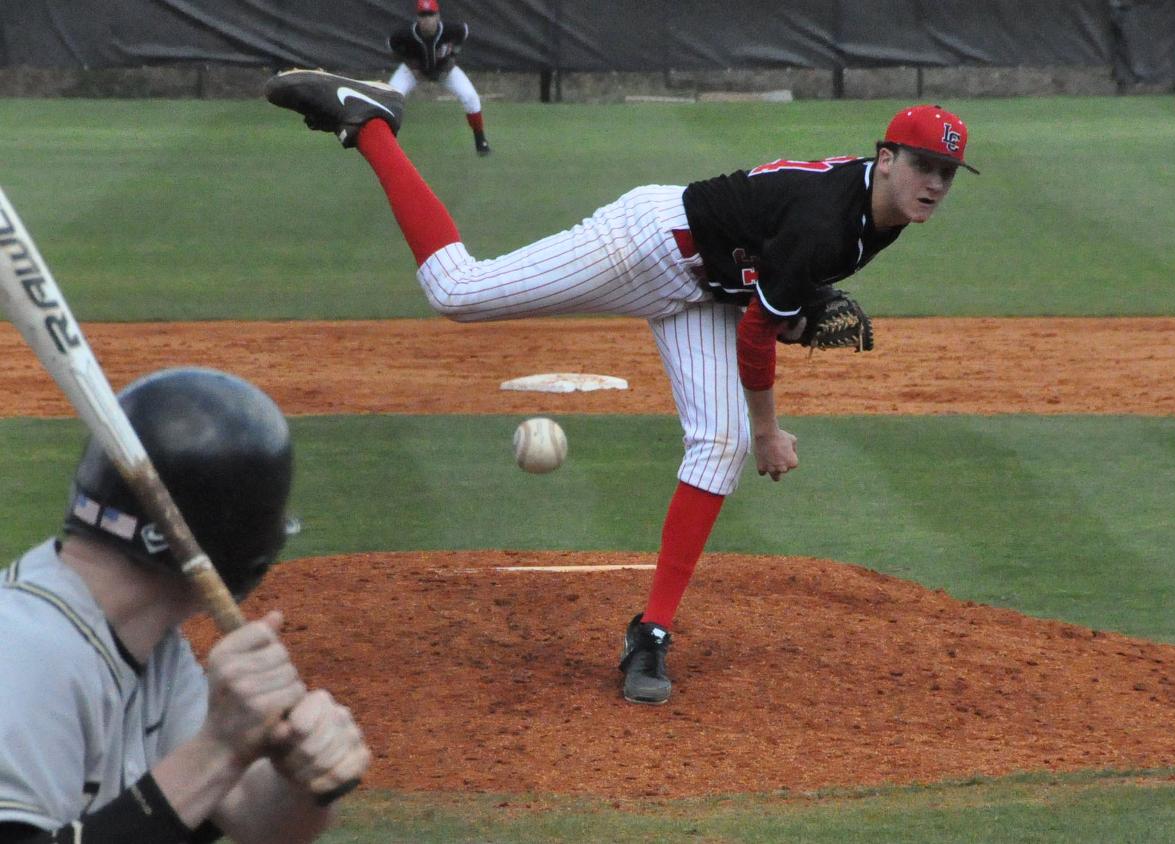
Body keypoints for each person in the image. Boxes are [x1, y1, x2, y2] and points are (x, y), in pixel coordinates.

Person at [264, 70, 978, 705]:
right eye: (922, 165)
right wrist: (769, 427)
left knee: (716, 444)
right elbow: (759, 335)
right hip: (650, 245)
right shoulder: (829, 222)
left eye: (947, 173)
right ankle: (370, 121)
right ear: (885, 159)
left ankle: (651, 632)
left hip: (707, 287)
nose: (935, 184)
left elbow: (764, 282)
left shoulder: (879, 211)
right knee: (457, 289)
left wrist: (780, 303)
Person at [0, 367, 371, 842]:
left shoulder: (153, 650)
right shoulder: (25, 655)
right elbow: (207, 769)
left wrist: (302, 780)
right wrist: (220, 749)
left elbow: (256, 821)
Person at [387, 0, 491, 156]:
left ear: (438, 16)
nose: (427, 19)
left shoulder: (450, 30)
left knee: (471, 97)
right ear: (417, 18)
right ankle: (386, 144)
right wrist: (410, 63)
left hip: (444, 70)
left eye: (430, 14)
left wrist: (453, 56)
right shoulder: (406, 34)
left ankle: (480, 141)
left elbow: (464, 33)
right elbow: (392, 46)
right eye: (423, 15)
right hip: (414, 71)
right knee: (390, 98)